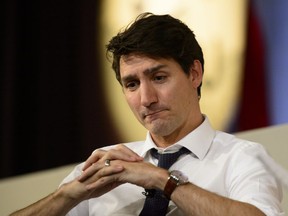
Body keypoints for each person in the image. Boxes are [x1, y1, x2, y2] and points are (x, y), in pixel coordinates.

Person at [10, 12, 284, 216]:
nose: (146, 99)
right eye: (132, 84)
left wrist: (161, 180)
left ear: (194, 73)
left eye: (159, 77)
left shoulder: (241, 158)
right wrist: (67, 196)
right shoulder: (104, 167)